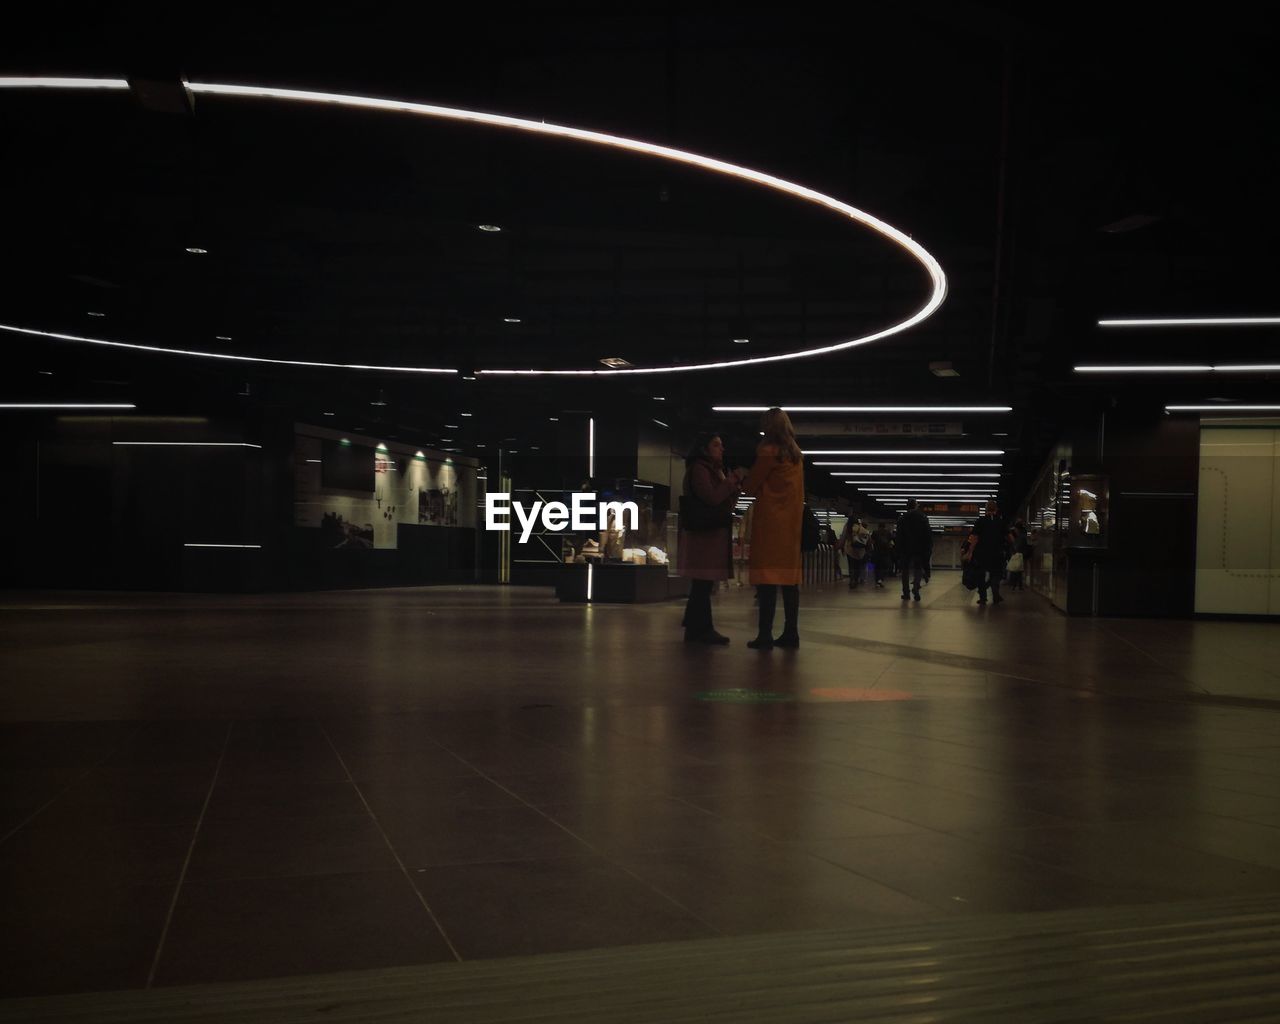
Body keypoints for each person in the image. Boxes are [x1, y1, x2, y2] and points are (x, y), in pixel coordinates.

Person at [741, 408, 804, 649]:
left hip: (770, 524)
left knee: (767, 581)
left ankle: (765, 634)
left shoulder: (768, 451)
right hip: (791, 527)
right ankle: (791, 633)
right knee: (789, 582)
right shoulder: (796, 455)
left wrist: (744, 477)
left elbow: (751, 485)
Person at [677, 433, 742, 643]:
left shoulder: (714, 470)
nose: (721, 449)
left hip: (710, 534)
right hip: (703, 535)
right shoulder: (699, 469)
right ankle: (702, 629)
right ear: (704, 449)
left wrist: (733, 488)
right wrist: (729, 482)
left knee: (703, 583)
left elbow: (724, 503)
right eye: (716, 445)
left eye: (721, 445)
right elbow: (712, 498)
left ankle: (696, 627)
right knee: (703, 583)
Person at [964, 500, 1013, 605]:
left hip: (982, 553)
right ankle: (995, 591)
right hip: (997, 553)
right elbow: (1010, 538)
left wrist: (970, 552)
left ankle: (983, 598)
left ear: (986, 509)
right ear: (996, 509)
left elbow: (975, 538)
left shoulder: (980, 521)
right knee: (996, 573)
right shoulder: (1001, 522)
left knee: (981, 575)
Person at [896, 499, 933, 602]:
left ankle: (906, 593)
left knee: (905, 571)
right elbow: (928, 534)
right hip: (919, 548)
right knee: (918, 569)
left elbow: (899, 535)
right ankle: (916, 588)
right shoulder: (922, 517)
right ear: (915, 506)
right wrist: (928, 547)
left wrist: (898, 549)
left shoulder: (902, 518)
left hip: (905, 548)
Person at [841, 517, 870, 589]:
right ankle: (856, 580)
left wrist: (841, 546)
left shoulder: (848, 528)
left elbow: (843, 537)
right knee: (858, 566)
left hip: (850, 549)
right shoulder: (862, 528)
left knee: (851, 566)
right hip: (860, 551)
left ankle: (852, 580)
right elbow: (867, 539)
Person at [872, 524, 892, 588]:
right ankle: (880, 579)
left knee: (877, 567)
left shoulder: (875, 532)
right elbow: (890, 542)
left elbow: (872, 542)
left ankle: (877, 581)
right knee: (884, 567)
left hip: (876, 552)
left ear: (878, 527)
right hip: (885, 553)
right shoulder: (888, 533)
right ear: (884, 527)